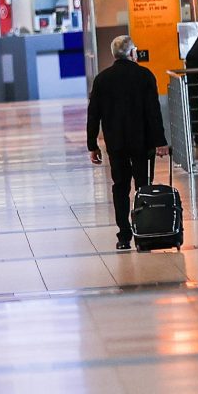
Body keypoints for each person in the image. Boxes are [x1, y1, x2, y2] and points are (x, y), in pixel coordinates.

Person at [86, 36, 168, 250]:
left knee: (120, 187)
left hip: (116, 143)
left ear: (114, 54)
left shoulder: (102, 79)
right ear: (132, 53)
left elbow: (93, 114)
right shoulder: (144, 75)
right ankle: (144, 232)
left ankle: (124, 235)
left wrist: (92, 144)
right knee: (143, 186)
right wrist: (160, 141)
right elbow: (153, 112)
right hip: (142, 142)